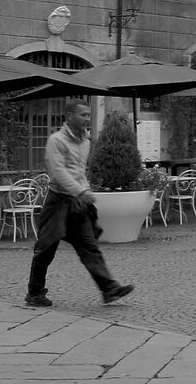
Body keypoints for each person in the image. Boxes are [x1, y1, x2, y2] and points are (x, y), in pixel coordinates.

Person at [25, 100, 134, 308]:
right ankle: (35, 293)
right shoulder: (56, 141)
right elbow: (58, 172)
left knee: (89, 247)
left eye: (88, 115)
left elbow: (79, 171)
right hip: (57, 201)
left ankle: (109, 289)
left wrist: (85, 190)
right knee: (46, 248)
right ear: (69, 117)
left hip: (76, 203)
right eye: (83, 115)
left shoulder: (85, 142)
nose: (87, 118)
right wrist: (81, 190)